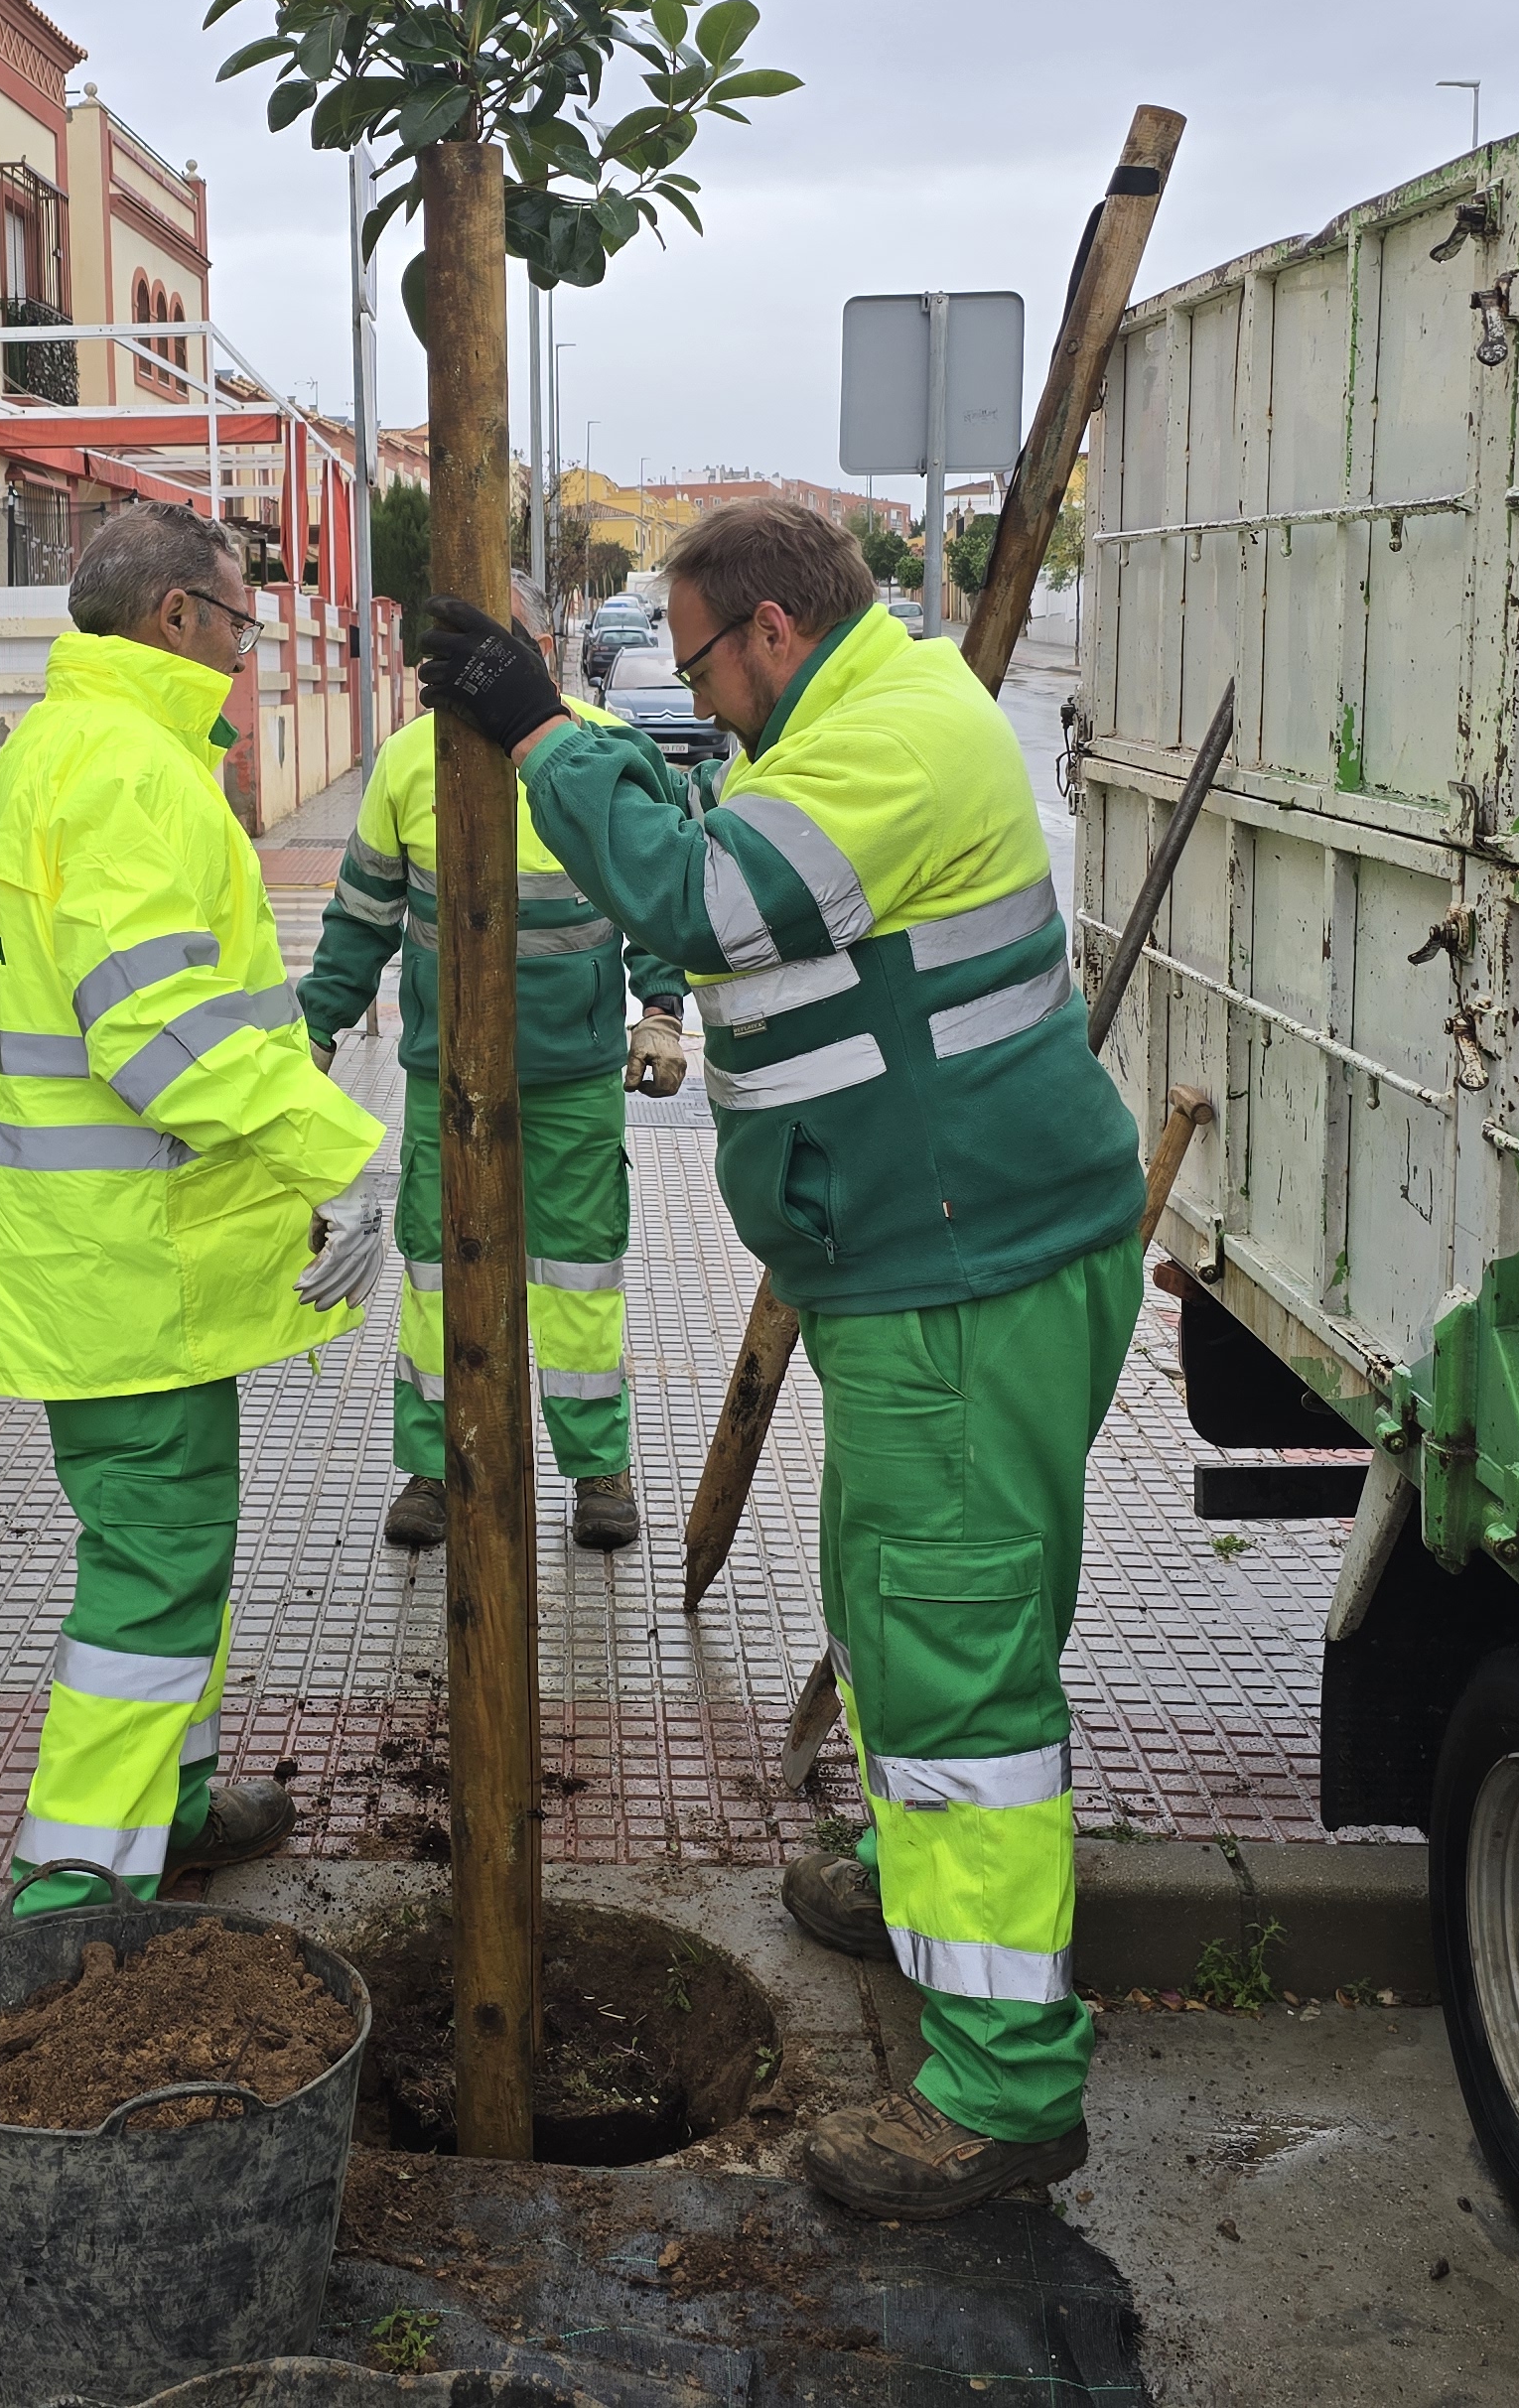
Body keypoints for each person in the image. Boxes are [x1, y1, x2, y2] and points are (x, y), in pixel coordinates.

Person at [415, 498, 1145, 2221]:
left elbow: (697, 897)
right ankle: (911, 1877)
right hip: (925, 1261)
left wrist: (537, 724)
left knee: (954, 1657)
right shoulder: (847, 718)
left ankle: (1002, 2091)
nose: (697, 700)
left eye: (694, 665)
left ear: (766, 628)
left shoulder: (889, 737)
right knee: (890, 1600)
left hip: (964, 1271)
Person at [0, 502, 386, 1913]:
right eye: (244, 622)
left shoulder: (53, 755)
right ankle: (76, 1887)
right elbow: (159, 1037)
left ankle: (173, 1804)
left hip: (103, 1259)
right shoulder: (131, 773)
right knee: (148, 1568)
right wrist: (336, 1154)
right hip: (129, 1268)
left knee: (173, 1544)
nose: (252, 654)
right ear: (175, 619)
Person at [294, 698, 691, 1553]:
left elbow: (658, 894)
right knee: (436, 1271)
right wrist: (317, 1033)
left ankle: (598, 1472)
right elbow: (361, 920)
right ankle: (433, 1470)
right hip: (447, 1079)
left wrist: (661, 1011)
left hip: (573, 1075)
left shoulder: (605, 750)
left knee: (579, 1274)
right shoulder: (406, 764)